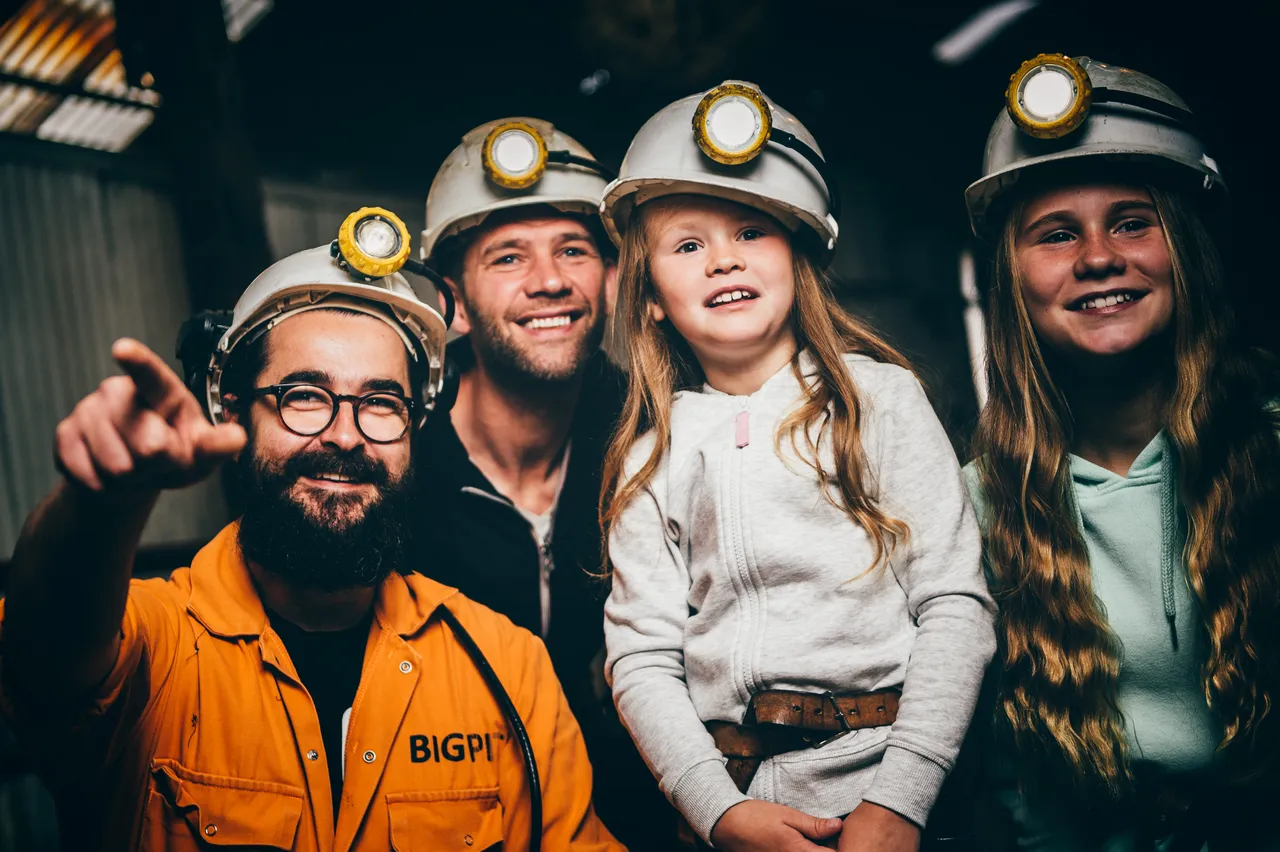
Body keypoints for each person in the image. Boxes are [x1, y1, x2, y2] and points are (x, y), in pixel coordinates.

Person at [0, 244, 623, 851]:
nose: (346, 435)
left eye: (381, 402)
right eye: (303, 395)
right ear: (233, 413)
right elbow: (42, 652)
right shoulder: (151, 647)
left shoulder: (508, 665)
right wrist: (102, 502)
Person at [598, 80, 998, 852]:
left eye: (751, 231)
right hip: (735, 805)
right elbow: (641, 658)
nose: (723, 260)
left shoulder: (880, 400)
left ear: (798, 255)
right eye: (688, 245)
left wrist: (902, 800)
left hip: (890, 800)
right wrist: (717, 811)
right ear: (649, 297)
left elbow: (955, 605)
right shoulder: (649, 458)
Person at [962, 54, 1280, 850]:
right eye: (1057, 234)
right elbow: (1011, 786)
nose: (1098, 257)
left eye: (1133, 222)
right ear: (1012, 281)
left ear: (1187, 249)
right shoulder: (977, 503)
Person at [414, 117, 671, 846]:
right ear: (453, 303)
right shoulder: (397, 463)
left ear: (612, 280)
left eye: (573, 249)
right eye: (508, 257)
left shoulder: (658, 440)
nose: (550, 280)